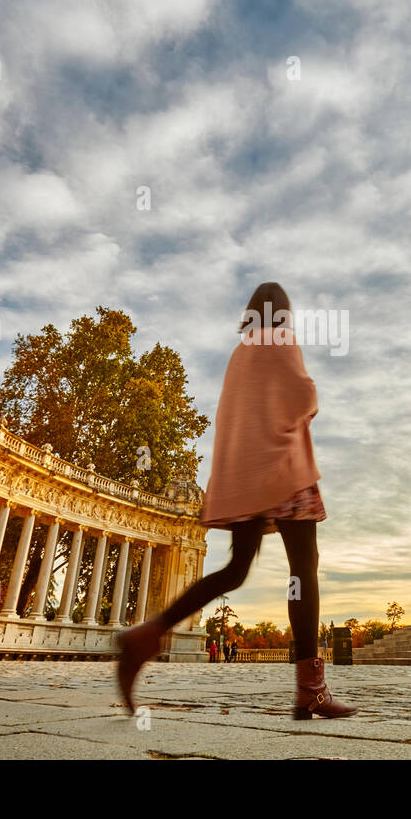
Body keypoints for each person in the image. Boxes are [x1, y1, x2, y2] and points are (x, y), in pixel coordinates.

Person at [117, 283, 356, 720]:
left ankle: (146, 635)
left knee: (234, 570)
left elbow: (231, 418)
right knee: (304, 569)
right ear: (282, 313)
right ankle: (311, 689)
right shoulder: (282, 340)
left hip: (245, 476)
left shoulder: (241, 352)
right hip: (285, 470)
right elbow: (302, 398)